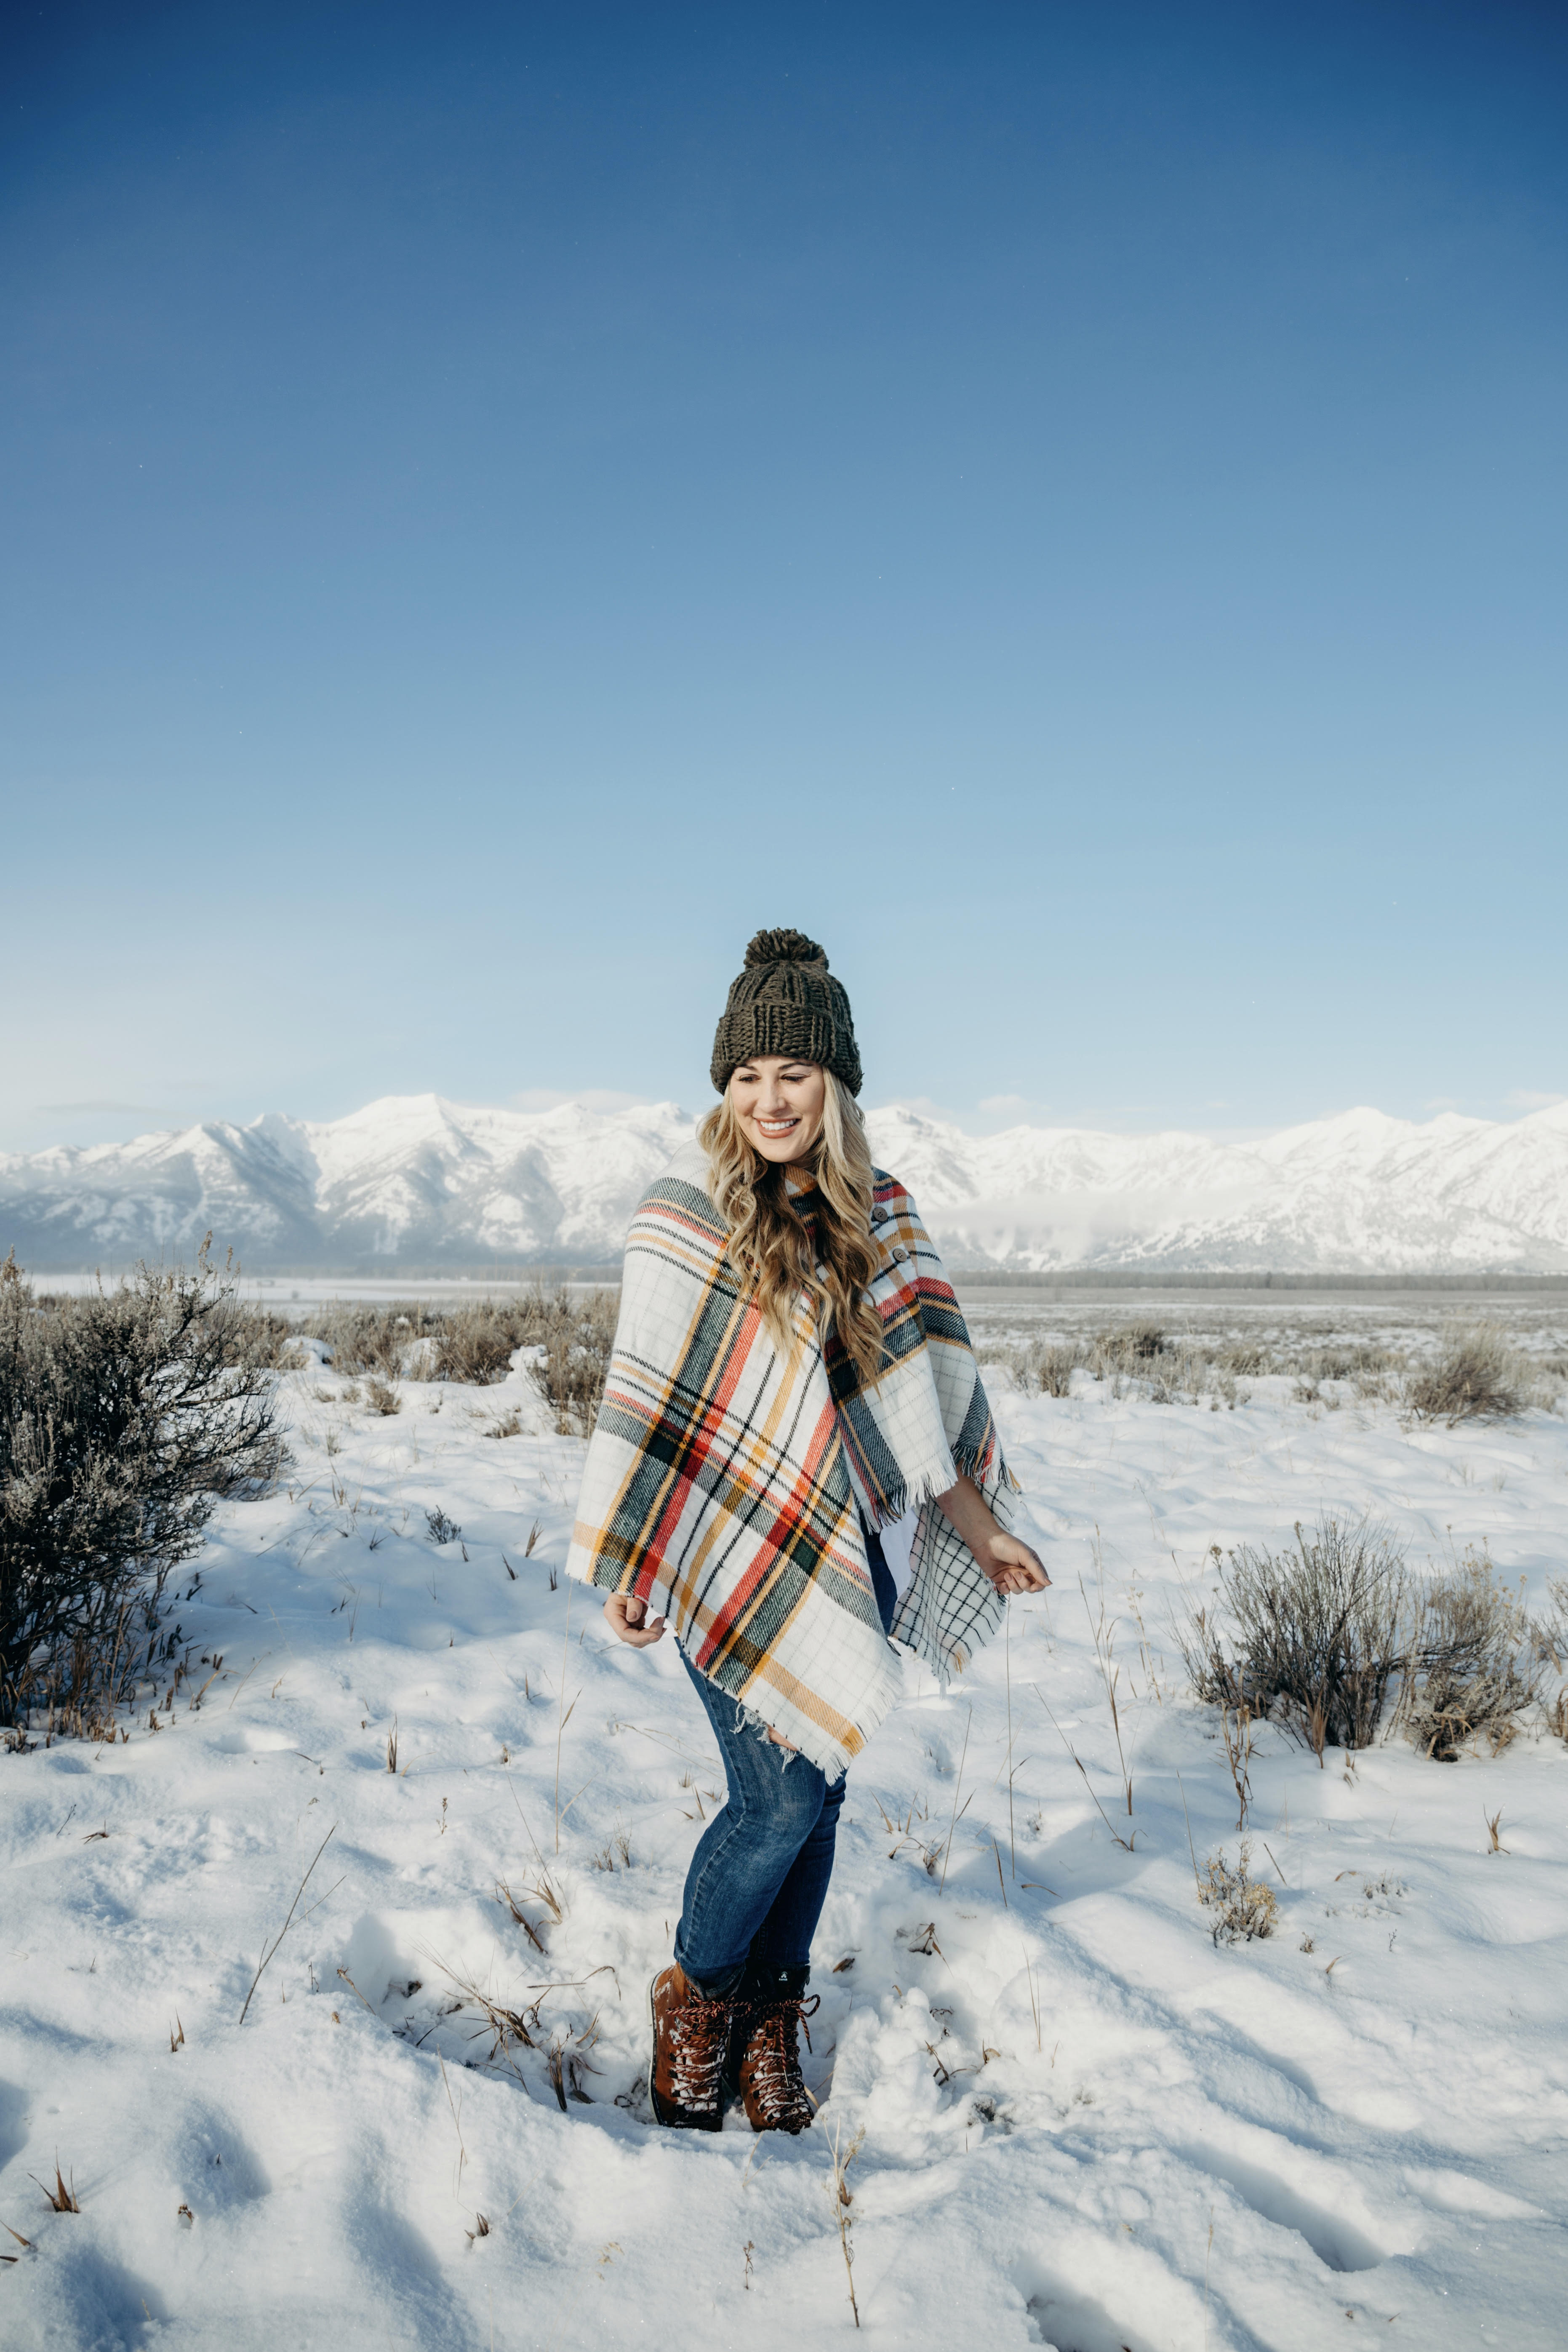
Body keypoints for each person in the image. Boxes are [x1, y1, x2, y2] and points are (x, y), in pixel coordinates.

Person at [566, 927, 1048, 2135]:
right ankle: (698, 2003)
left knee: (819, 1800)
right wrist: (632, 1559)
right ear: (722, 1090)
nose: (770, 1098)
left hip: (855, 1559)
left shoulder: (878, 1214)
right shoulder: (680, 1217)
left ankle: (773, 2018)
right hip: (723, 1550)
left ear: (834, 1084)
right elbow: (649, 1402)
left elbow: (921, 1407)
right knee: (774, 1800)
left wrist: (980, 1528)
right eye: (746, 1076)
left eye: (793, 1073)